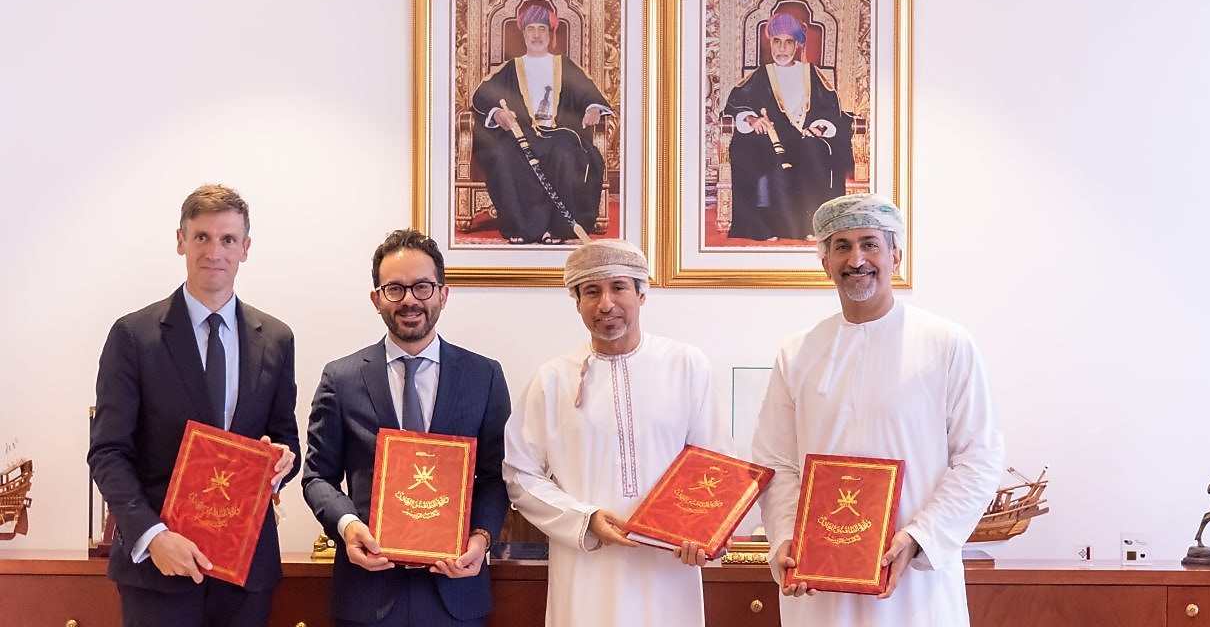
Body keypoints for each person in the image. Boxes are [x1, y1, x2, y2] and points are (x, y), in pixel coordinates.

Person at [751, 193, 1004, 625]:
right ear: (825, 262)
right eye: (842, 246)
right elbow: (774, 462)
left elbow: (979, 458)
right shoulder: (797, 353)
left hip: (914, 587)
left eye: (870, 243)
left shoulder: (945, 344)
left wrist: (919, 537)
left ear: (896, 256)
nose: (857, 259)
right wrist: (789, 540)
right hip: (819, 586)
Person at [87, 184, 299, 627]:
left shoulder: (277, 339)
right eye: (201, 237)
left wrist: (282, 461)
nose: (214, 251)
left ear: (245, 248)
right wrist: (152, 536)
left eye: (227, 240)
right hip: (158, 569)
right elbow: (108, 453)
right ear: (181, 240)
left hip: (246, 570)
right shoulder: (133, 336)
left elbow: (284, 437)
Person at [503, 240, 733, 627]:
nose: (606, 304)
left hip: (668, 568)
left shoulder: (685, 365)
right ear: (576, 301)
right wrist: (584, 518)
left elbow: (716, 464)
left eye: (619, 288)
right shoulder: (552, 379)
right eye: (591, 291)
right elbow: (519, 475)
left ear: (643, 293)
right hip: (586, 568)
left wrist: (705, 533)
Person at [302, 228, 511, 627]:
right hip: (367, 589)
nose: (410, 299)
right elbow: (317, 478)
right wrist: (348, 527)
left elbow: (495, 476)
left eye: (422, 287)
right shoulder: (341, 378)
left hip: (457, 590)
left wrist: (480, 538)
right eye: (395, 289)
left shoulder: (484, 376)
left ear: (443, 294)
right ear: (376, 298)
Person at [470, 1, 612, 244]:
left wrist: (592, 109)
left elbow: (590, 93)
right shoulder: (511, 68)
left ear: (550, 33)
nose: (536, 34)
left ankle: (561, 229)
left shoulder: (564, 65)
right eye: (531, 29)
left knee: (565, 153)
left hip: (560, 133)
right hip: (521, 135)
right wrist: (496, 113)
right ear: (524, 33)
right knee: (505, 156)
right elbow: (480, 95)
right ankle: (524, 229)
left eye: (542, 29)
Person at [723, 12, 854, 241]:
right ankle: (766, 228)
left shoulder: (812, 74)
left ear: (798, 45)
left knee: (815, 151)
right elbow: (737, 105)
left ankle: (812, 226)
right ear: (770, 43)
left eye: (788, 42)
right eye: (776, 41)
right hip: (771, 139)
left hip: (806, 137)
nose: (781, 48)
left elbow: (831, 110)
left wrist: (819, 128)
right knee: (757, 151)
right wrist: (752, 120)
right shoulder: (761, 76)